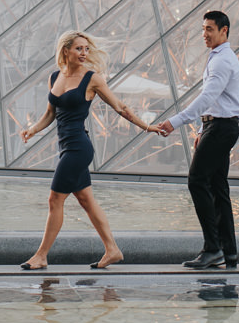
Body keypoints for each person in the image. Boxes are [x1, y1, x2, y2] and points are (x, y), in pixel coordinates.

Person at [18, 31, 157, 271]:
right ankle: (112, 249)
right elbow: (51, 114)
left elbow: (120, 107)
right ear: (66, 51)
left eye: (86, 49)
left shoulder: (92, 79)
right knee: (86, 200)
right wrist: (33, 129)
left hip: (79, 148)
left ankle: (41, 255)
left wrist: (147, 126)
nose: (84, 53)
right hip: (66, 147)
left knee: (54, 199)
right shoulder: (55, 77)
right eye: (79, 49)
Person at [154, 10, 239, 270]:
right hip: (219, 127)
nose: (204, 34)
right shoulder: (220, 57)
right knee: (217, 188)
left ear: (224, 30)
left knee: (196, 181)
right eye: (203, 29)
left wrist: (176, 121)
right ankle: (229, 252)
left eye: (210, 30)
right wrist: (202, 129)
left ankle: (213, 249)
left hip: (221, 127)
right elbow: (213, 101)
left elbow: (207, 97)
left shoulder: (221, 61)